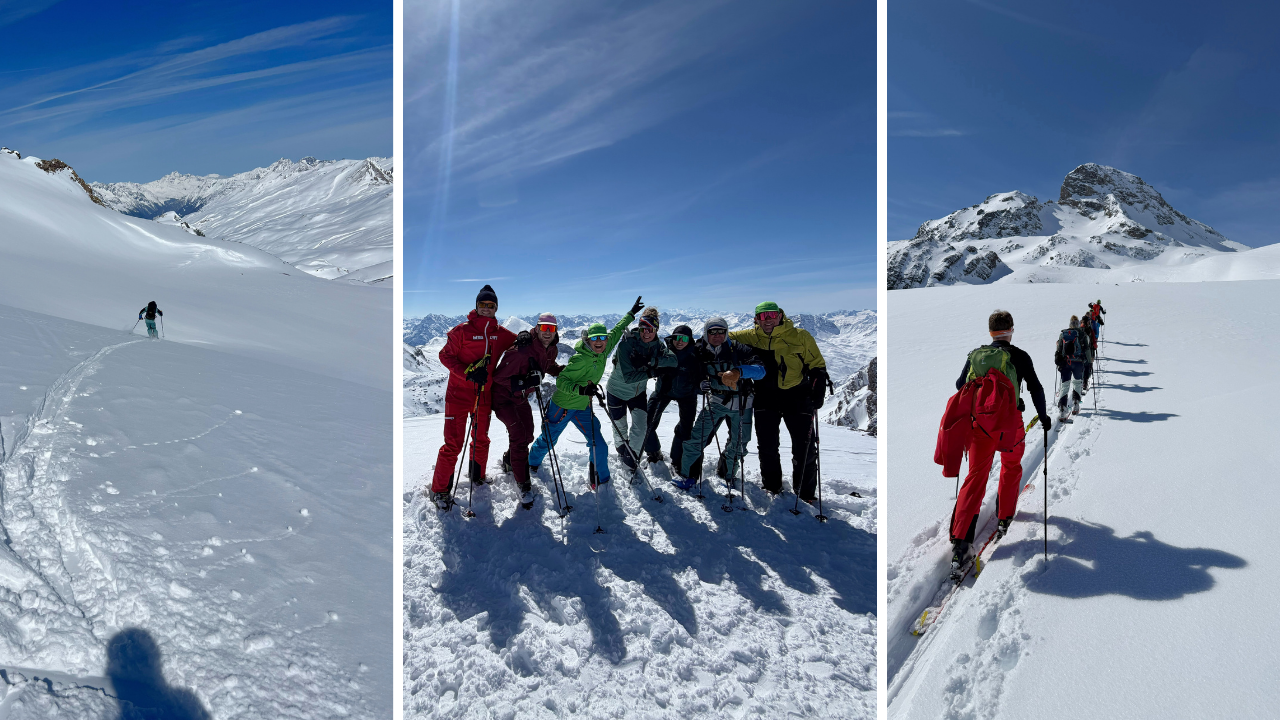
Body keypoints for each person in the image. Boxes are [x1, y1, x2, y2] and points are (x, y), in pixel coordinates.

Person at [947, 310, 1049, 566]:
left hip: (978, 426)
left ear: (990, 332)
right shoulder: (1020, 356)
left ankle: (961, 544)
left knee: (975, 478)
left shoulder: (976, 355)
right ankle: (1004, 517)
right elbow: (1036, 386)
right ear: (1011, 330)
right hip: (1009, 424)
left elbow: (961, 385)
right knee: (1011, 467)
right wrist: (1043, 415)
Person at [527, 297, 643, 490]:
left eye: (602, 338)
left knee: (598, 443)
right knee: (548, 439)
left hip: (582, 407)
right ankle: (531, 463)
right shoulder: (579, 360)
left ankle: (600, 479)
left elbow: (615, 331)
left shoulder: (603, 352)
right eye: (595, 338)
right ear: (587, 340)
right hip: (562, 406)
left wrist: (631, 314)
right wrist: (581, 389)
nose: (599, 342)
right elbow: (561, 381)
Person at [729, 302, 829, 502]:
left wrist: (818, 385)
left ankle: (806, 493)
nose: (768, 320)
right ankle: (771, 486)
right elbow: (723, 337)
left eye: (772, 315)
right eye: (763, 316)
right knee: (767, 446)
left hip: (798, 396)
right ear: (756, 319)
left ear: (781, 315)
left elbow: (816, 364)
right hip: (765, 397)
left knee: (805, 447)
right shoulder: (748, 337)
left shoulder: (800, 336)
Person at [430, 285, 517, 510]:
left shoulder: (501, 333)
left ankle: (477, 475)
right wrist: (467, 372)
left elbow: (519, 343)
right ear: (476, 306)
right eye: (483, 305)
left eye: (491, 305)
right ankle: (439, 490)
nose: (486, 308)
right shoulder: (461, 331)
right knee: (453, 444)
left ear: (496, 308)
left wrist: (527, 335)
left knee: (481, 439)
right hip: (458, 395)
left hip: (484, 394)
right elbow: (444, 355)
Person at [673, 317, 765, 491]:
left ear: (726, 332)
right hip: (716, 400)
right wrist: (700, 383)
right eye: (712, 332)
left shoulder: (738, 349)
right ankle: (687, 475)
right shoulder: (699, 350)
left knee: (739, 443)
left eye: (721, 331)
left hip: (742, 402)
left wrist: (739, 372)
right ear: (706, 333)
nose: (717, 335)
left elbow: (761, 371)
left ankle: (727, 475)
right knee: (696, 439)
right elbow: (693, 371)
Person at [492, 313, 564, 509]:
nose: (547, 333)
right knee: (519, 436)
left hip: (520, 398)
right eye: (544, 328)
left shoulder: (552, 349)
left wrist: (567, 372)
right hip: (503, 398)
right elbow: (498, 378)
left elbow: (549, 366)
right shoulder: (520, 351)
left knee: (528, 435)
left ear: (556, 330)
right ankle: (523, 484)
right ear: (537, 328)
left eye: (551, 329)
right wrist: (524, 382)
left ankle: (509, 460)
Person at [604, 307, 676, 475]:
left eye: (650, 329)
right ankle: (624, 454)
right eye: (643, 329)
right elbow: (629, 376)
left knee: (641, 428)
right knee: (620, 428)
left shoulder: (658, 345)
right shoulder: (627, 344)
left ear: (656, 329)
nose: (646, 333)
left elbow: (672, 361)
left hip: (637, 394)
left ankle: (630, 462)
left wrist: (650, 362)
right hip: (616, 391)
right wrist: (654, 371)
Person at [642, 324, 701, 469]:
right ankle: (654, 452)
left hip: (687, 395)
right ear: (672, 338)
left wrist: (700, 386)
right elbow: (651, 366)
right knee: (646, 422)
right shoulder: (663, 350)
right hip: (663, 392)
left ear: (690, 340)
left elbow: (701, 378)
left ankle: (677, 459)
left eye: (684, 338)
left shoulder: (696, 356)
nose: (679, 341)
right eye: (676, 338)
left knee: (685, 429)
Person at [1054, 316, 1087, 420]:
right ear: (1077, 324)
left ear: (1070, 324)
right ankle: (1076, 404)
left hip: (1065, 363)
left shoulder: (1063, 334)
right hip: (1078, 362)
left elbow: (1059, 349)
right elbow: (1086, 348)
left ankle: (1063, 409)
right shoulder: (1082, 333)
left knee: (1065, 385)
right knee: (1077, 383)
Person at [1079, 311, 1097, 392]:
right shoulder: (1090, 330)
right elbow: (1094, 343)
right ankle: (1085, 382)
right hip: (1088, 352)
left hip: (1078, 352)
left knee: (1080, 367)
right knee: (1087, 367)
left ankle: (1080, 382)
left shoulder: (1078, 330)